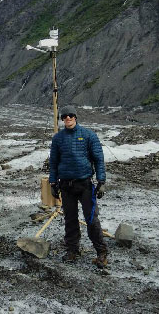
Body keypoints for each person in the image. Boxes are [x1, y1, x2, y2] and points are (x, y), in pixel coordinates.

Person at [48, 105, 108, 268]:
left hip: (85, 185)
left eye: (71, 115)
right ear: (61, 119)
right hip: (66, 186)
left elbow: (98, 159)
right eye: (64, 116)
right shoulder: (58, 138)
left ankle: (101, 252)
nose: (68, 118)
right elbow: (53, 162)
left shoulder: (89, 135)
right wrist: (53, 183)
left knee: (91, 219)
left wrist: (101, 181)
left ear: (76, 117)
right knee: (70, 219)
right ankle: (72, 250)